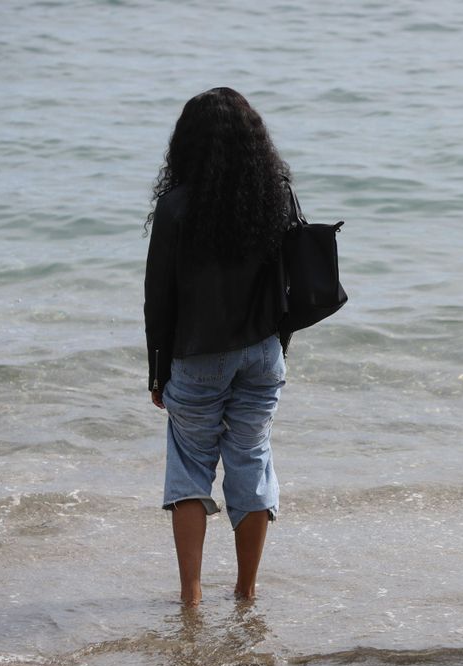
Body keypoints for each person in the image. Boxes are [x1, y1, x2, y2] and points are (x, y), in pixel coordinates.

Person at [143, 87, 292, 607]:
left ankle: (191, 597)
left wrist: (156, 371)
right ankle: (247, 591)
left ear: (187, 142)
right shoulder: (274, 196)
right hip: (262, 351)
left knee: (189, 470)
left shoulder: (177, 205)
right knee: (252, 462)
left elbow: (158, 296)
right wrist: (280, 348)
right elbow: (289, 285)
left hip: (198, 356)